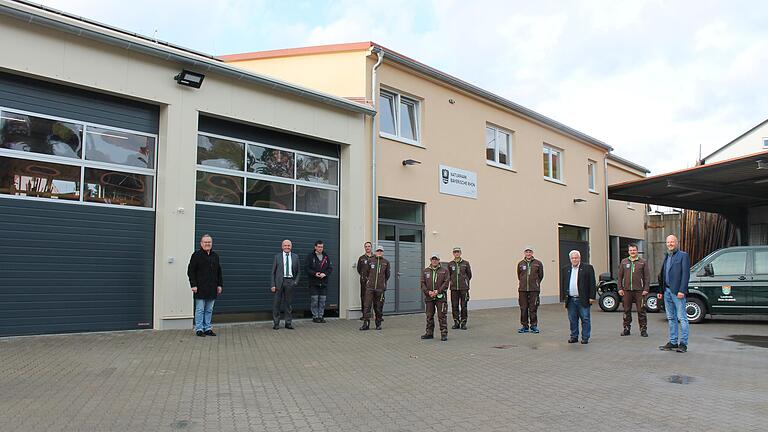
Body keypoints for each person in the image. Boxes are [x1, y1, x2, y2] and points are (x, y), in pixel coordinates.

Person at [657, 235, 691, 353]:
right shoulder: (667, 256)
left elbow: (686, 275)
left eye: (672, 242)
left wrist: (682, 290)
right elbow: (663, 274)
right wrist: (661, 291)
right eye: (668, 242)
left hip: (677, 292)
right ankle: (673, 342)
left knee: (682, 318)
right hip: (666, 291)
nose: (670, 244)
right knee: (671, 318)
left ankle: (683, 344)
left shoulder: (683, 256)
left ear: (677, 242)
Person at [187, 234, 223, 337]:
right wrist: (193, 285)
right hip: (200, 288)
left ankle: (207, 328)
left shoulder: (215, 256)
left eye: (209, 242)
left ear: (211, 243)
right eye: (205, 242)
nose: (207, 244)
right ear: (201, 243)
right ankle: (199, 329)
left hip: (212, 288)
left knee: (209, 309)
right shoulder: (196, 255)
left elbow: (219, 271)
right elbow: (190, 271)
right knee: (200, 309)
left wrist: (219, 285)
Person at [559, 250, 596, 344]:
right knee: (572, 319)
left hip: (583, 299)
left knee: (585, 319)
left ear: (579, 258)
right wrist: (564, 299)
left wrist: (592, 297)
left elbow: (592, 283)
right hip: (570, 299)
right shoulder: (565, 269)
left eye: (576, 258)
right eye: (572, 258)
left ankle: (585, 337)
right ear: (570, 259)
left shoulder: (588, 268)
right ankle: (574, 336)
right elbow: (563, 284)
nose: (574, 260)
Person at [617, 243, 651, 337]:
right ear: (628, 251)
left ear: (637, 251)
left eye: (634, 250)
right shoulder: (624, 262)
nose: (632, 252)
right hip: (627, 290)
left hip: (640, 291)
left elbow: (647, 277)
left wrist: (646, 289)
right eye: (631, 250)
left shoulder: (642, 262)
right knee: (626, 310)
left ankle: (643, 330)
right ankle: (626, 329)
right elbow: (619, 277)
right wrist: (620, 288)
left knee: (641, 310)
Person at [270, 239, 300, 330]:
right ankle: (276, 323)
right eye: (285, 245)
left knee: (288, 304)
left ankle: (288, 323)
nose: (287, 247)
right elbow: (273, 273)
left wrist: (295, 282)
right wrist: (272, 285)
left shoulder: (295, 257)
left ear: (291, 247)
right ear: (282, 247)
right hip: (279, 283)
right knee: (277, 304)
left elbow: (299, 272)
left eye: (289, 245)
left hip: (290, 282)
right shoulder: (277, 257)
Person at [359, 244, 391, 331]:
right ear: (375, 252)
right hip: (370, 288)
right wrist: (368, 282)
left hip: (380, 289)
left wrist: (382, 283)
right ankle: (366, 324)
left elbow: (387, 275)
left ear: (383, 252)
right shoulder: (370, 261)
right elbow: (365, 273)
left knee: (378, 307)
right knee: (367, 306)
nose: (379, 252)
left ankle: (378, 324)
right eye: (378, 251)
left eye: (381, 251)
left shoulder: (386, 262)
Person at [421, 253, 450, 341]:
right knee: (429, 316)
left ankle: (444, 333)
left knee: (442, 316)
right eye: (433, 259)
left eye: (436, 259)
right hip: (429, 297)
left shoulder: (444, 271)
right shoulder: (425, 271)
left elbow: (446, 283)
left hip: (441, 297)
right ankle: (429, 333)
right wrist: (428, 292)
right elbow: (422, 283)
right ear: (430, 260)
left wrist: (438, 291)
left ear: (438, 260)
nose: (434, 261)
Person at [516, 246, 544, 334]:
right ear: (524, 253)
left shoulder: (538, 263)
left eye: (530, 252)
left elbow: (541, 275)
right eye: (526, 252)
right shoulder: (520, 264)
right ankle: (524, 326)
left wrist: (536, 283)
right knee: (523, 308)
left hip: (534, 289)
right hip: (523, 289)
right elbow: (519, 275)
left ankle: (534, 326)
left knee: (533, 308)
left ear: (532, 253)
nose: (528, 253)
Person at [306, 240, 333, 323]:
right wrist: (315, 273)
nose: (320, 248)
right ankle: (315, 316)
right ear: (315, 247)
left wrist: (325, 274)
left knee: (322, 300)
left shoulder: (326, 256)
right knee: (314, 300)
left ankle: (321, 316)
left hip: (323, 282)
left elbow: (330, 268)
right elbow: (307, 268)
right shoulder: (310, 256)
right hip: (314, 282)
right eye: (319, 247)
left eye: (321, 247)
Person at [448, 246, 472, 330]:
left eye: (458, 252)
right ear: (453, 253)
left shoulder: (466, 263)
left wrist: (465, 282)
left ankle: (463, 323)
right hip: (454, 289)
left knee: (463, 306)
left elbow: (469, 275)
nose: (456, 253)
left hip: (463, 289)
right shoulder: (450, 264)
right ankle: (456, 322)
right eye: (455, 252)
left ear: (460, 253)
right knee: (454, 306)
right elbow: (449, 275)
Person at [356, 242, 374, 320]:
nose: (367, 248)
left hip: (373, 282)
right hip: (364, 282)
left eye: (369, 246)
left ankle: (373, 314)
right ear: (364, 248)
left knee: (373, 297)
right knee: (364, 297)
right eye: (366, 246)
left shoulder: (375, 258)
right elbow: (359, 269)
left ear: (371, 247)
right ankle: (364, 315)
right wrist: (364, 277)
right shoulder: (361, 258)